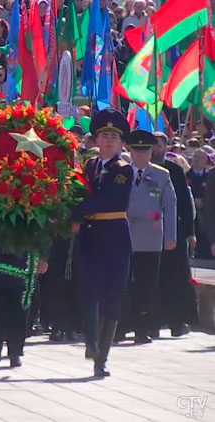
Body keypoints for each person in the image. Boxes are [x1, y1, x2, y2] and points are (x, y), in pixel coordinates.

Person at [70, 109, 133, 378]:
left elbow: (108, 200)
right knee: (90, 289)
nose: (107, 141)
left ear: (120, 143)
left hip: (114, 235)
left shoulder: (123, 170)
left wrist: (74, 210)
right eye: (103, 136)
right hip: (90, 236)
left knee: (112, 295)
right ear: (95, 140)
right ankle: (91, 341)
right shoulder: (89, 166)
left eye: (113, 137)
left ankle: (102, 355)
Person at [120, 130, 176, 345]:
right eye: (137, 150)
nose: (141, 155)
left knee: (146, 285)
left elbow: (170, 206)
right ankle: (121, 326)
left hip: (150, 238)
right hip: (123, 236)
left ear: (152, 151)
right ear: (130, 151)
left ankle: (143, 329)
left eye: (145, 150)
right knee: (122, 283)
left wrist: (170, 236)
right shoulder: (122, 173)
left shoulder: (162, 175)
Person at [151, 132, 197, 337]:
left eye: (159, 145)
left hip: (173, 231)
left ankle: (178, 322)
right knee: (154, 277)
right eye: (153, 145)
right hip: (149, 232)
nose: (155, 149)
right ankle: (152, 321)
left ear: (166, 147)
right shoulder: (142, 169)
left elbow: (184, 204)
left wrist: (190, 233)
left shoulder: (174, 170)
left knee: (177, 278)